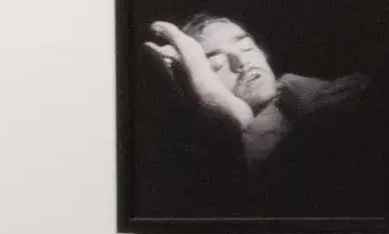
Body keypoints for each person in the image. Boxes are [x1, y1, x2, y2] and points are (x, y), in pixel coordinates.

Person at [141, 15, 366, 178]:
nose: (242, 61)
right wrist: (230, 113)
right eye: (216, 63)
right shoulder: (199, 165)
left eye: (247, 47)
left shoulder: (319, 97)